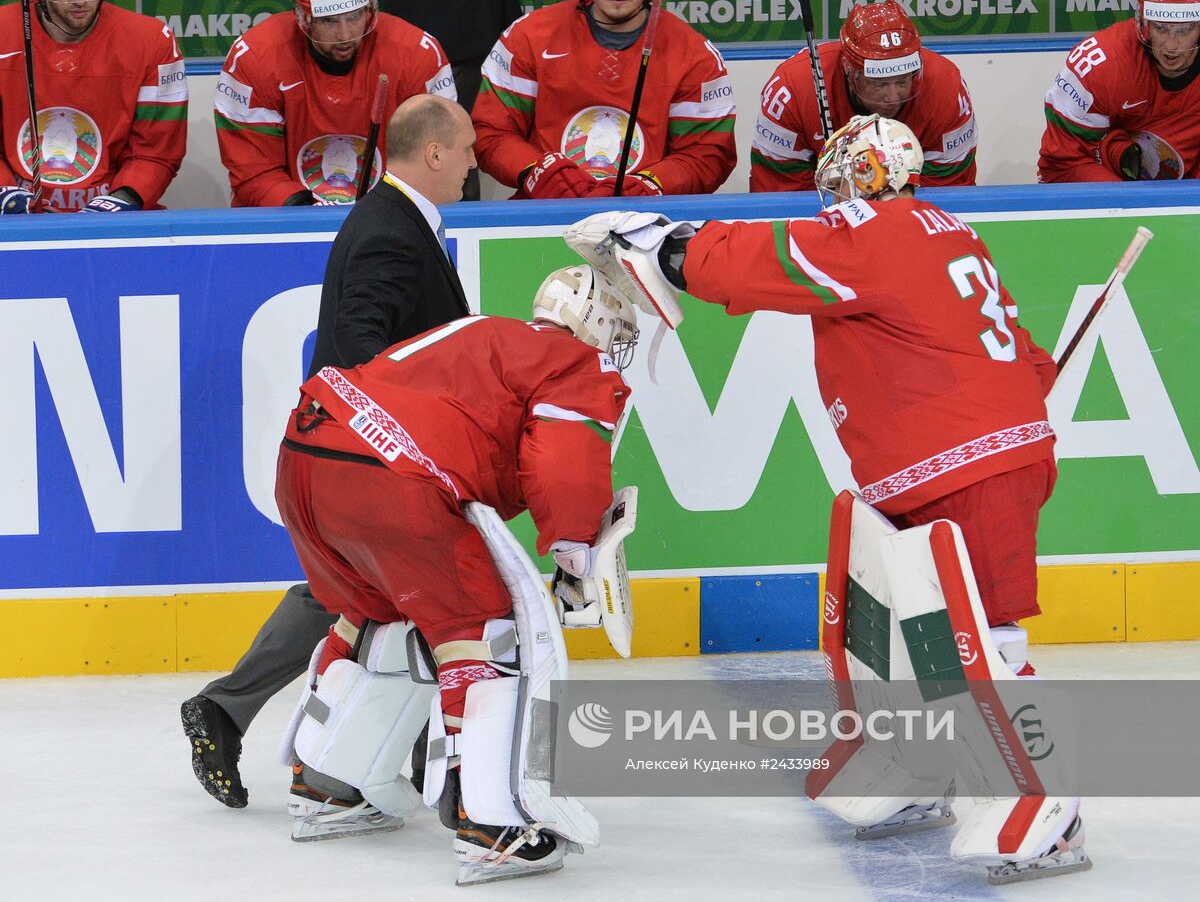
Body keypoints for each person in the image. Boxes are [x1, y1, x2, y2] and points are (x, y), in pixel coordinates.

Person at [566, 116, 1085, 882]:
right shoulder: (948, 231)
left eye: (836, 180)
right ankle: (922, 766)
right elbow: (1028, 359)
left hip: (964, 462)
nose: (830, 198)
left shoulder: (881, 226)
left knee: (986, 639)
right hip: (950, 457)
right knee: (926, 632)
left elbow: (767, 260)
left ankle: (1047, 804)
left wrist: (664, 243)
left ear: (860, 176)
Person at [274, 266, 636, 882]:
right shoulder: (573, 362)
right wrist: (576, 549)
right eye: (616, 330)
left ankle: (330, 785)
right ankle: (492, 823)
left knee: (374, 618)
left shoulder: (480, 328)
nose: (615, 346)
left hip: (306, 455)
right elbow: (565, 466)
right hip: (395, 482)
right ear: (596, 321)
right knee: (490, 638)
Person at [181, 93, 477, 809]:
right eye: (466, 147)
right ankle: (413, 764)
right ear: (433, 152)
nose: (475, 161)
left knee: (358, 598)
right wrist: (404, 443)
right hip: (372, 460)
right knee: (399, 597)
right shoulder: (390, 233)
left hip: (368, 453)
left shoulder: (398, 221)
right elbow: (360, 345)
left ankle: (235, 714)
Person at [472, 0, 736, 199]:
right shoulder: (529, 36)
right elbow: (491, 131)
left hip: (650, 219)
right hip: (547, 208)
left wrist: (655, 183)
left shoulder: (694, 54)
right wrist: (536, 170)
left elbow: (707, 153)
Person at [214, 0, 456, 208]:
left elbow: (437, 158)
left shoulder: (416, 54)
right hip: (289, 217)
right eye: (329, 21)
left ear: (370, 11)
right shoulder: (255, 58)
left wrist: (386, 215)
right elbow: (253, 169)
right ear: (303, 19)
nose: (345, 35)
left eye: (354, 16)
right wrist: (303, 212)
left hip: (389, 214)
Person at [0, 0, 187, 214]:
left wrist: (125, 197)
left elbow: (156, 151)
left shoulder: (152, 40)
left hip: (113, 217)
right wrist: (2, 192)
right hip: (15, 219)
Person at [344, 0, 521, 200]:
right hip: (444, 4)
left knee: (448, 149)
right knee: (430, 150)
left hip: (459, 11)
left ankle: (449, 243)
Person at [1039, 0, 1200, 182]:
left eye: (1184, 30)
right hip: (1110, 192)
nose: (1171, 46)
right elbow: (1060, 164)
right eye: (1160, 27)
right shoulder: (1096, 67)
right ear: (1143, 23)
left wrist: (1195, 193)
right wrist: (1130, 202)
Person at [750, 0, 977, 192]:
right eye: (877, 84)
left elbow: (950, 192)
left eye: (902, 81)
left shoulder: (946, 89)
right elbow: (778, 193)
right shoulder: (793, 89)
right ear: (850, 71)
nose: (892, 97)